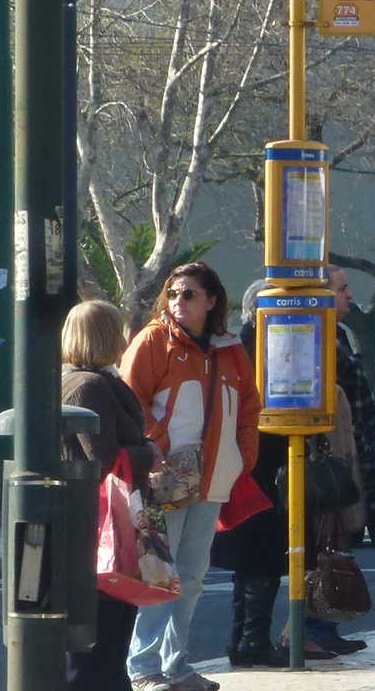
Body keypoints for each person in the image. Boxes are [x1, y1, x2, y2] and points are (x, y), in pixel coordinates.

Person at [119, 262, 257, 691]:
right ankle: (143, 667)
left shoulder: (230, 348)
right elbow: (129, 401)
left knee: (193, 575)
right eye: (174, 293)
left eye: (189, 294)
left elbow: (250, 407)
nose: (179, 301)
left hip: (214, 475)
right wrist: (158, 444)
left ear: (211, 301)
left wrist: (242, 459)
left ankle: (176, 665)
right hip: (165, 477)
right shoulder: (153, 340)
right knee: (162, 572)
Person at [62, 300, 161, 691]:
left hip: (96, 519)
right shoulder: (89, 386)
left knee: (109, 634)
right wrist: (149, 454)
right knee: (103, 635)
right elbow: (103, 458)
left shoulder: (86, 380)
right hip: (101, 522)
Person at [208, 281, 291, 668]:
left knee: (251, 561)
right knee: (263, 558)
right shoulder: (258, 350)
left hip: (243, 465)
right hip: (262, 465)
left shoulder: (238, 349)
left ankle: (242, 639)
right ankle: (251, 639)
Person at [296, 265, 375, 655]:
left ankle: (324, 627)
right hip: (329, 459)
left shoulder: (338, 335)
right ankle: (311, 627)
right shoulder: (316, 336)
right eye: (342, 289)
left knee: (337, 539)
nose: (349, 295)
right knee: (324, 539)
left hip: (348, 452)